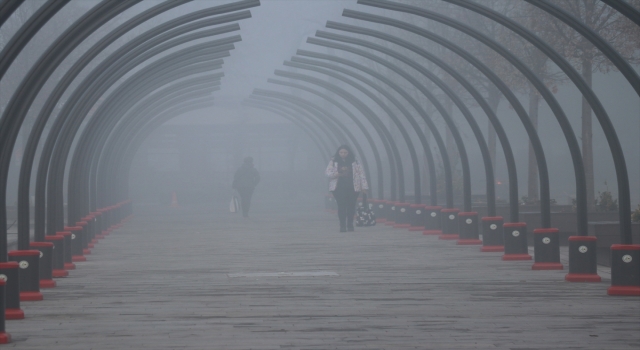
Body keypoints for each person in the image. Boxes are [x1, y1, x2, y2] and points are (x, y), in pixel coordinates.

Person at [325, 145, 368, 232]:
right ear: (338, 152)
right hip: (338, 187)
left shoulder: (355, 161)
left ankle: (350, 224)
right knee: (341, 206)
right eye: (341, 152)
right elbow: (328, 172)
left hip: (353, 187)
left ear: (348, 153)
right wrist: (336, 174)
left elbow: (361, 174)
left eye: (345, 152)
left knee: (351, 206)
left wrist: (364, 187)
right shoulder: (334, 161)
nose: (343, 154)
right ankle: (342, 225)